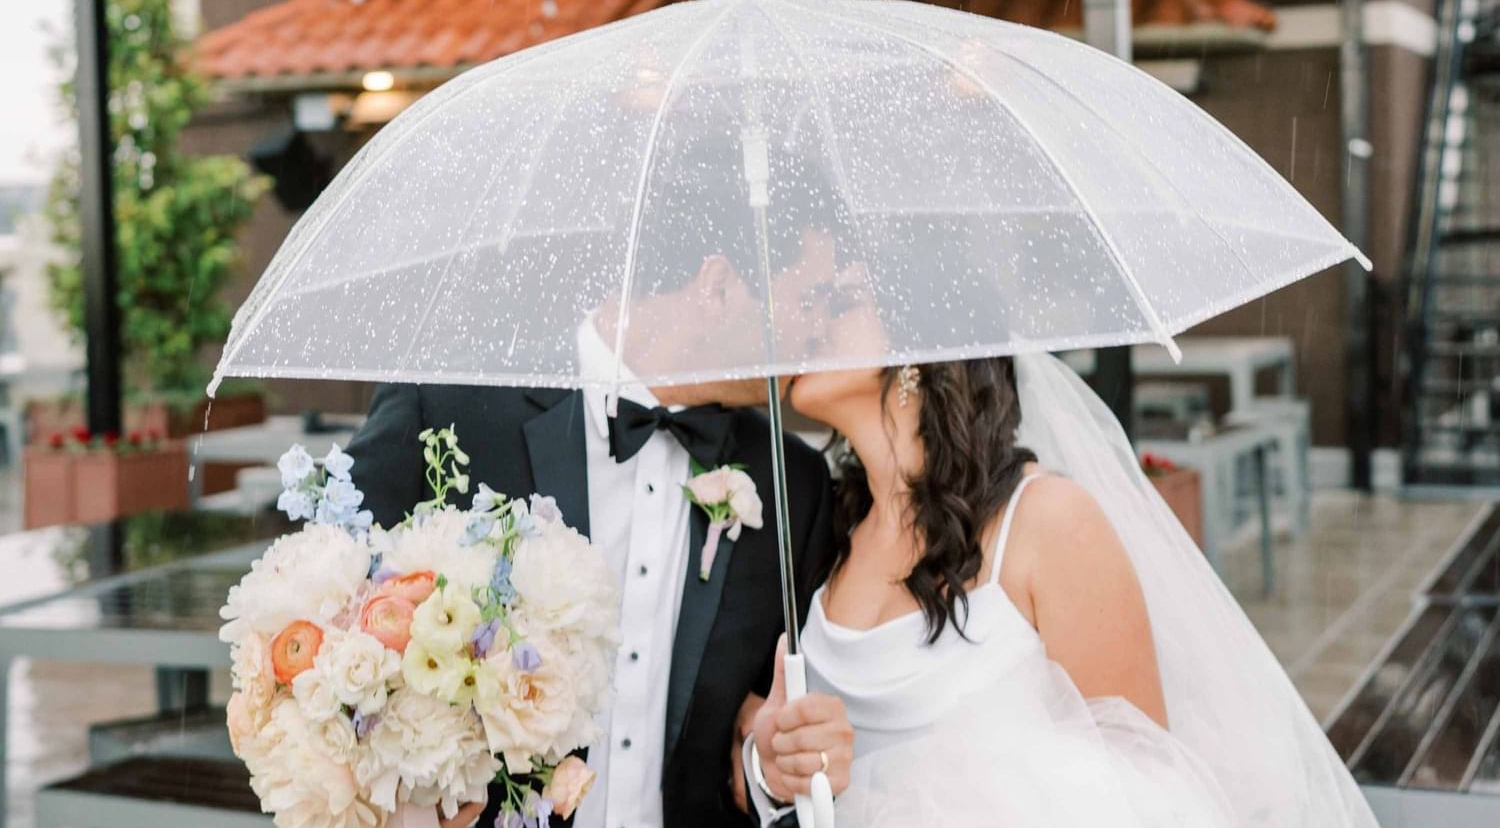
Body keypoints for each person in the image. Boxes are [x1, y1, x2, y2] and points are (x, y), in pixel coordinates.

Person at [348, 138, 852, 828]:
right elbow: (308, 642)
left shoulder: (794, 482)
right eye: (811, 298)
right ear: (718, 284)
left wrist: (766, 768)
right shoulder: (453, 410)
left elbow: (753, 748)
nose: (821, 330)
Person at [752, 290, 1380, 826]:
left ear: (919, 339)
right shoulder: (823, 523)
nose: (807, 318)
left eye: (839, 302)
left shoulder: (1048, 523)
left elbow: (1148, 782)